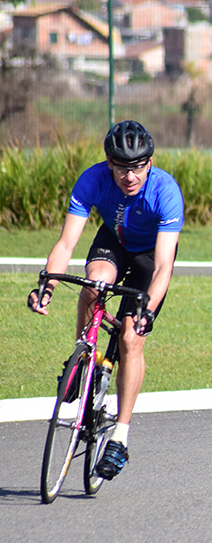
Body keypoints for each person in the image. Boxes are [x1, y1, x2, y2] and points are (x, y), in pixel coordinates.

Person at [28, 120, 184, 481]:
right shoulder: (92, 179)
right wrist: (48, 285)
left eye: (137, 167)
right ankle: (83, 356)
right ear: (108, 164)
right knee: (93, 284)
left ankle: (120, 437)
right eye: (120, 167)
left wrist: (146, 309)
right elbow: (66, 244)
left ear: (149, 163)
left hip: (149, 256)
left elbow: (163, 265)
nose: (129, 176)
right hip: (113, 240)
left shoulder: (166, 191)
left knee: (131, 338)